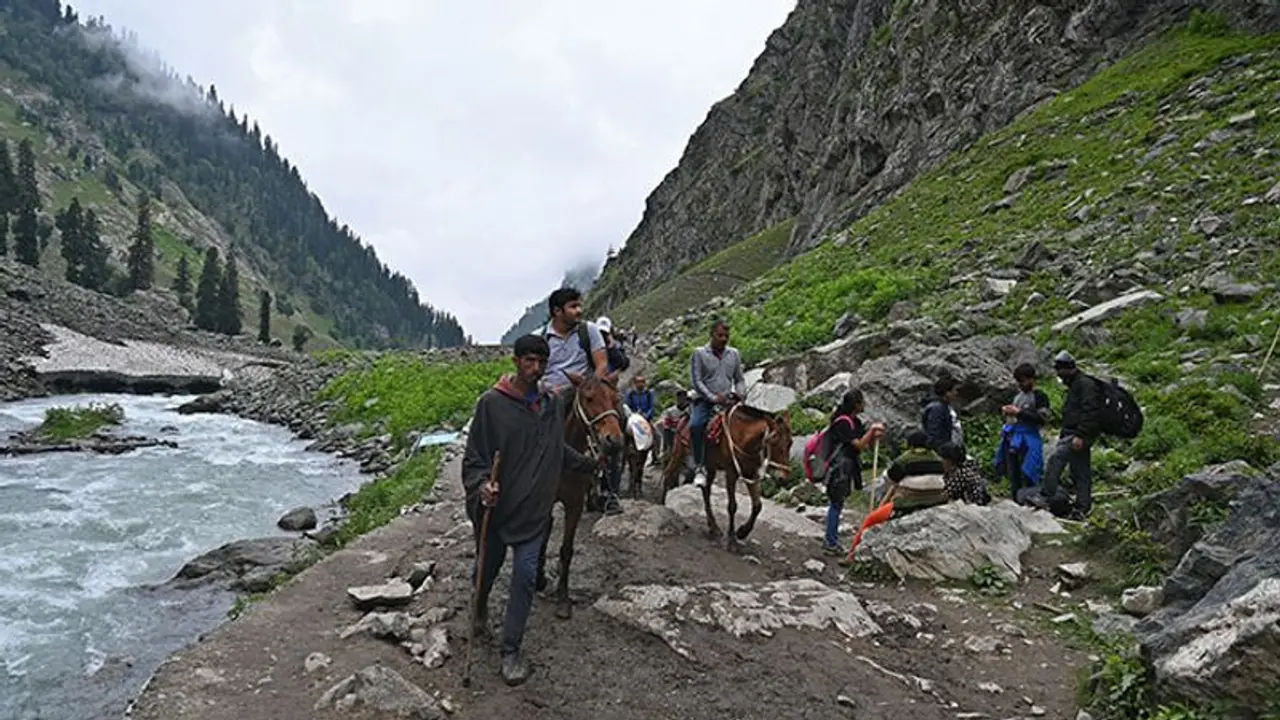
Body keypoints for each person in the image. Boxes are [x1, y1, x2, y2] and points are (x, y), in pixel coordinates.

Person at [461, 334, 601, 686]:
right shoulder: (491, 404)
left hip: (534, 515)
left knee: (524, 578)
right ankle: (478, 611)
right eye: (528, 361)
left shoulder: (551, 405)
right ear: (516, 361)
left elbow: (557, 451)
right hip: (499, 512)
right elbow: (475, 459)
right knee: (487, 570)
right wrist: (483, 486)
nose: (535, 369)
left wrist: (588, 464)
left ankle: (511, 651)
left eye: (541, 362)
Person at [842, 429, 950, 565]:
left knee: (871, 519)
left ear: (910, 444)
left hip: (909, 502)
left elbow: (891, 478)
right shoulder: (938, 459)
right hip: (936, 501)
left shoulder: (905, 459)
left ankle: (852, 554)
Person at [820, 389, 885, 555]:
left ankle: (831, 538)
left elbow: (865, 443)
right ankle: (830, 542)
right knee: (836, 503)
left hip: (846, 467)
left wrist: (874, 435)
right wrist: (871, 432)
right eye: (862, 402)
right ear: (856, 404)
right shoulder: (842, 423)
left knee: (838, 503)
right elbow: (858, 445)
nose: (865, 405)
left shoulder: (854, 421)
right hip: (838, 469)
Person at [1037, 351, 1100, 520]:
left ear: (1067, 369)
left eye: (1059, 370)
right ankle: (1082, 507)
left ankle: (1045, 496)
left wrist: (1081, 435)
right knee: (1080, 471)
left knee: (1055, 460)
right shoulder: (1075, 384)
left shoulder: (1085, 384)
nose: (1058, 374)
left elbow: (1090, 412)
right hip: (1074, 434)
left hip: (1078, 435)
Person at [687, 319, 746, 487]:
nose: (724, 339)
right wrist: (712, 397)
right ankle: (699, 467)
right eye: (720, 335)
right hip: (705, 401)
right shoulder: (699, 353)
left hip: (728, 400)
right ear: (711, 335)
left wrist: (741, 393)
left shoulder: (733, 354)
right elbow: (697, 381)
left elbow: (739, 379)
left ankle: (747, 464)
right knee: (696, 425)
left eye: (726, 336)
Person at [995, 363, 1051, 504]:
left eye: (1023, 381)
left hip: (1030, 438)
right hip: (1013, 438)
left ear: (1032, 379)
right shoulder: (1018, 397)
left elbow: (1042, 418)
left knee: (1029, 471)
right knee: (1014, 473)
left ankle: (1031, 499)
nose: (1020, 384)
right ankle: (1016, 499)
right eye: (1018, 381)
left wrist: (1019, 412)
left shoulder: (1040, 396)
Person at [540, 287, 609, 393]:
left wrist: (590, 387)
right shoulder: (542, 338)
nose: (579, 311)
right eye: (573, 307)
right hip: (551, 397)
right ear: (557, 311)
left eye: (579, 306)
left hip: (583, 393)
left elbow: (602, 364)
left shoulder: (589, 330)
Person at [921, 376, 963, 451]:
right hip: (944, 452)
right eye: (954, 390)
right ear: (947, 392)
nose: (956, 393)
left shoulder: (946, 406)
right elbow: (935, 433)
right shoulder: (937, 408)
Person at [657, 390, 692, 467]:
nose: (681, 399)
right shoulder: (670, 411)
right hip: (674, 434)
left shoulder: (691, 410)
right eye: (679, 397)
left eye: (683, 397)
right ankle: (665, 451)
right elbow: (667, 424)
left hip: (687, 435)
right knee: (665, 431)